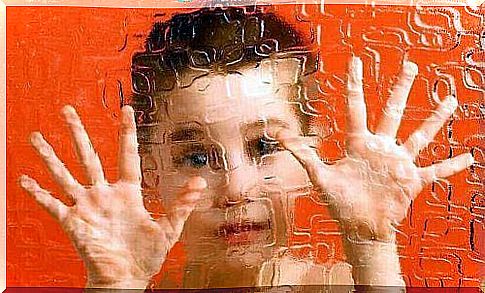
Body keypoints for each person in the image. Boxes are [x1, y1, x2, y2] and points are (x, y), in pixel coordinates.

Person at [18, 6, 474, 291]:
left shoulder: (347, 284)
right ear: (150, 169)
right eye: (195, 157)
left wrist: (372, 244)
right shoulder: (131, 284)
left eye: (265, 145)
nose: (236, 190)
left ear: (312, 150)